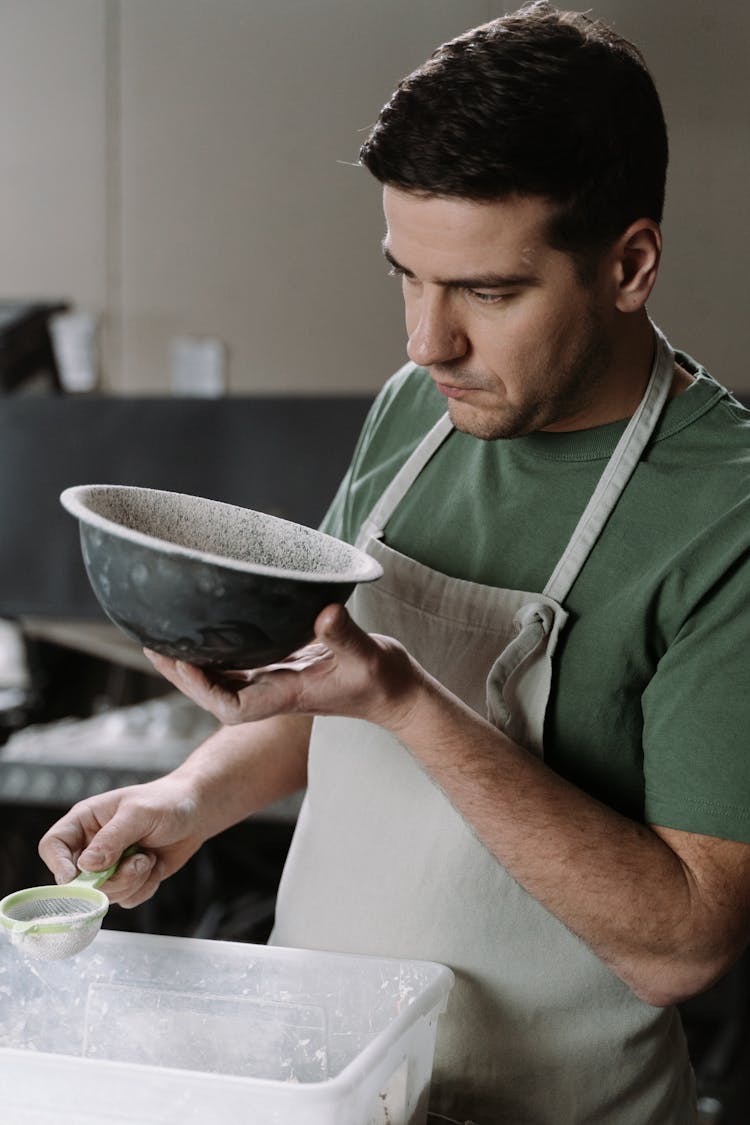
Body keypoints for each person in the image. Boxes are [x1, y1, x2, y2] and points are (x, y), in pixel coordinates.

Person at [39, 4, 750, 1122]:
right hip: (336, 1080)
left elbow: (683, 943)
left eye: (489, 291)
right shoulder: (415, 415)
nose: (428, 342)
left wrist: (411, 702)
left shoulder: (725, 509)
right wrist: (184, 801)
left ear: (629, 265)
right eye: (407, 277)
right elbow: (330, 704)